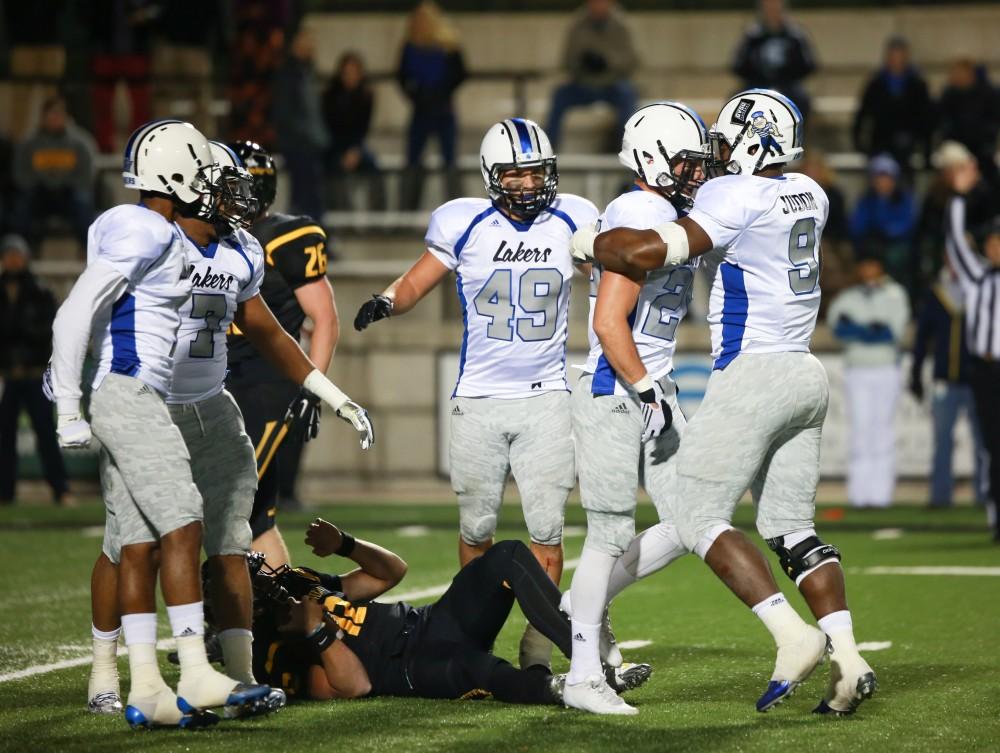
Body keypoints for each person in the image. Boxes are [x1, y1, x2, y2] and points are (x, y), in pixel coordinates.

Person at [575, 88, 877, 716]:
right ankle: (848, 658)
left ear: (752, 138)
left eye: (722, 140)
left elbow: (641, 254)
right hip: (806, 371)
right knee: (794, 532)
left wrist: (589, 240)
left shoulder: (729, 195)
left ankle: (792, 636)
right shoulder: (811, 193)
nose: (712, 156)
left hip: (753, 373)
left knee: (696, 513)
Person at [83, 139, 373, 720]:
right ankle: (114, 672)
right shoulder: (142, 240)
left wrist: (329, 392)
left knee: (232, 537)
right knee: (131, 544)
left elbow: (271, 331)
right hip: (146, 404)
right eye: (221, 182)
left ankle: (237, 673)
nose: (236, 195)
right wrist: (71, 386)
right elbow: (87, 316)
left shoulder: (237, 248)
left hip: (212, 404)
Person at [354, 118, 598, 674]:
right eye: (514, 173)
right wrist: (388, 300)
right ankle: (472, 637)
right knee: (477, 530)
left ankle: (538, 647)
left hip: (547, 396)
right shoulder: (464, 223)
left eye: (536, 172)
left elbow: (608, 270)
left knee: (548, 531)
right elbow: (418, 279)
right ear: (491, 175)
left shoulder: (574, 219)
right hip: (479, 399)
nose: (528, 184)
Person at [50, 120, 266, 729]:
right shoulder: (142, 227)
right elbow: (75, 311)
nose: (219, 188)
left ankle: (145, 685)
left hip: (151, 394)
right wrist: (68, 402)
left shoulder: (184, 240)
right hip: (132, 393)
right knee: (183, 521)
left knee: (138, 540)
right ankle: (194, 670)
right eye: (206, 174)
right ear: (174, 179)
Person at [562, 102, 709, 715]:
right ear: (650, 158)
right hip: (616, 383)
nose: (695, 176)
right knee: (608, 533)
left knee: (693, 517)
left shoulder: (668, 213)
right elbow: (606, 319)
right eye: (685, 163)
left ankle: (579, 609)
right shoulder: (637, 211)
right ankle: (581, 675)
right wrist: (647, 388)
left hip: (651, 379)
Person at [251, 519, 651, 705]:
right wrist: (317, 632)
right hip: (411, 667)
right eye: (254, 581)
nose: (268, 579)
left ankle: (589, 665)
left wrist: (346, 544)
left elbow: (390, 573)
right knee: (483, 671)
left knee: (507, 555)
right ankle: (561, 688)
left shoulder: (298, 584)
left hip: (430, 621)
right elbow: (353, 685)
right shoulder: (273, 653)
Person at [226, 140, 343, 569]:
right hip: (219, 386)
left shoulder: (285, 236)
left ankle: (234, 622)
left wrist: (314, 390)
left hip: (262, 387)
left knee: (225, 508)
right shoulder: (212, 237)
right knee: (255, 520)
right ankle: (281, 620)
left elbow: (325, 318)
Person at [944, 157, 1000, 541]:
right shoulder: (978, 277)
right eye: (994, 242)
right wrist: (959, 197)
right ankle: (997, 517)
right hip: (987, 370)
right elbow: (952, 238)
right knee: (993, 445)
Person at [827, 255, 910, 509]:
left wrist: (857, 329)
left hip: (885, 368)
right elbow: (838, 328)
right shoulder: (849, 296)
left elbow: (889, 333)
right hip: (857, 370)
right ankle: (860, 495)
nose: (867, 269)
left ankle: (881, 495)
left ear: (880, 266)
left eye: (872, 264)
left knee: (882, 430)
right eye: (864, 264)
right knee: (861, 430)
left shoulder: (895, 294)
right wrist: (870, 329)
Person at [910, 266, 989, 508]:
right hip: (945, 379)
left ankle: (985, 495)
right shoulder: (937, 293)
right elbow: (922, 336)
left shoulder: (984, 289)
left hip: (979, 380)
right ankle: (940, 496)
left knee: (984, 442)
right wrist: (916, 372)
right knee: (942, 440)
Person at [0, 234, 70, 506]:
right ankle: (5, 493)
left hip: (34, 373)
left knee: (45, 433)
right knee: (5, 439)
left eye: (17, 255)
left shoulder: (39, 290)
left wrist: (20, 330)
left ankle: (60, 489)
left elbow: (50, 329)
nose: (13, 260)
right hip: (9, 375)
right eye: (9, 255)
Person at [396, 1, 467, 210]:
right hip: (421, 110)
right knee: (413, 161)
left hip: (444, 110)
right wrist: (415, 94)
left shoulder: (448, 45)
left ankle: (459, 210)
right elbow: (401, 76)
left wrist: (443, 91)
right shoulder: (410, 46)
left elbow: (461, 73)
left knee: (450, 162)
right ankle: (407, 209)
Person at [545, 0, 639, 150]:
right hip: (584, 84)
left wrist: (607, 62)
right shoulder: (577, 25)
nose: (598, 5)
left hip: (611, 85)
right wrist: (584, 62)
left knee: (627, 94)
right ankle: (548, 150)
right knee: (560, 94)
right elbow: (567, 61)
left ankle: (626, 149)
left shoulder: (621, 25)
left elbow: (631, 62)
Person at [11, 96, 97, 251]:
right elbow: (20, 174)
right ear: (43, 117)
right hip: (40, 193)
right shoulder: (29, 143)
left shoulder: (81, 142)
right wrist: (42, 185)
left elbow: (87, 174)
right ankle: (24, 251)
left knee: (82, 202)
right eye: (51, 114)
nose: (55, 118)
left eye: (58, 114)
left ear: (66, 116)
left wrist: (66, 186)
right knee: (22, 205)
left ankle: (89, 251)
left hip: (69, 194)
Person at [272, 26, 330, 221]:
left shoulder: (309, 72)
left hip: (311, 145)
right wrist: (307, 136)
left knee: (311, 198)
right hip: (297, 145)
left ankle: (313, 237)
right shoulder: (288, 74)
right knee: (304, 198)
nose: (310, 45)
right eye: (305, 40)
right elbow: (284, 113)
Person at [852, 37, 933, 174]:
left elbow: (925, 116)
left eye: (899, 56)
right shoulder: (876, 82)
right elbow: (864, 112)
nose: (896, 60)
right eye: (893, 56)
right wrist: (859, 141)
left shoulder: (917, 83)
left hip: (909, 141)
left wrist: (926, 148)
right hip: (881, 140)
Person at [88, 0, 157, 153]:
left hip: (136, 50)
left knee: (140, 104)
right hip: (105, 50)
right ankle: (104, 146)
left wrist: (145, 17)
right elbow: (87, 11)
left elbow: (156, 9)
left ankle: (140, 145)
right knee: (103, 103)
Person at [730, 0, 816, 120]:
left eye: (776, 5)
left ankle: (795, 135)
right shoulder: (752, 36)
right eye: (768, 6)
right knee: (737, 101)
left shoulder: (795, 35)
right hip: (756, 85)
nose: (772, 9)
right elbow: (738, 65)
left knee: (801, 100)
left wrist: (786, 76)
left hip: (788, 86)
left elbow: (808, 64)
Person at [322, 51, 386, 211]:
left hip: (356, 145)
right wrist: (342, 153)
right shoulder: (329, 96)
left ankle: (379, 213)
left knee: (374, 166)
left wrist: (355, 151)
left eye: (354, 73)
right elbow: (329, 128)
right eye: (347, 73)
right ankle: (338, 211)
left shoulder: (366, 96)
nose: (350, 77)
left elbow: (362, 129)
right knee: (331, 167)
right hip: (334, 144)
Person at [849, 154, 917, 296]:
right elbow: (857, 226)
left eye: (886, 177)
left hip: (896, 244)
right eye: (879, 177)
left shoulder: (903, 199)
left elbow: (907, 225)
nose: (882, 182)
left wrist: (884, 230)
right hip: (872, 244)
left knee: (896, 257)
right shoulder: (867, 199)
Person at [936, 59, 1000, 187]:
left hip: (981, 148)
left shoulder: (987, 93)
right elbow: (941, 119)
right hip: (956, 147)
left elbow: (993, 121)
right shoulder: (949, 94)